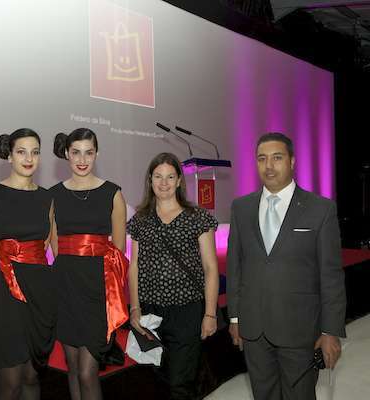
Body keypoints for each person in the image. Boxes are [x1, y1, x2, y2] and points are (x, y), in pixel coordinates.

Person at [227, 132, 346, 400]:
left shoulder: (320, 209)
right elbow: (235, 267)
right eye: (262, 159)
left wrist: (330, 330)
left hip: (300, 330)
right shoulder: (241, 208)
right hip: (254, 330)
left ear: (292, 161)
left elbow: (331, 276)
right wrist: (234, 318)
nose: (268, 166)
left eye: (277, 158)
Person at [127, 152, 219, 400]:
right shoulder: (140, 219)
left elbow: (210, 268)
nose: (164, 183)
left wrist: (210, 314)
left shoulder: (197, 217)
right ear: (150, 180)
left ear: (179, 180)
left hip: (186, 311)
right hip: (150, 312)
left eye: (170, 177)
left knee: (181, 384)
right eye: (158, 176)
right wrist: (134, 308)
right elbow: (134, 266)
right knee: (159, 378)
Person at [0, 128, 54, 400]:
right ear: (9, 156)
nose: (29, 159)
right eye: (21, 152)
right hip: (2, 293)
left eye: (35, 152)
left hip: (39, 294)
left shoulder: (47, 198)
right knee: (11, 381)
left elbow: (47, 247)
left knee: (31, 376)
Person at [49, 128, 128, 400]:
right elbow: (56, 247)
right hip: (65, 288)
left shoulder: (112, 193)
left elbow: (118, 251)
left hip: (98, 290)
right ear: (67, 154)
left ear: (97, 154)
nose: (82, 160)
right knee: (72, 368)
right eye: (76, 153)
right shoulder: (53, 195)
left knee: (87, 372)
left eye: (89, 153)